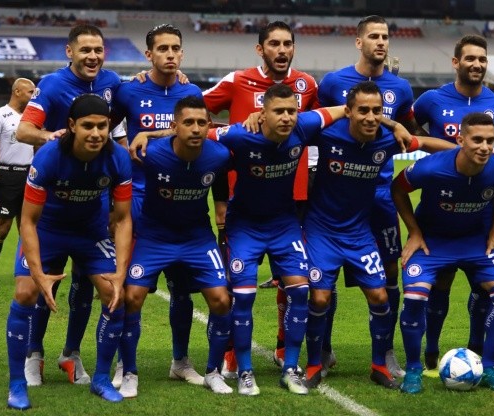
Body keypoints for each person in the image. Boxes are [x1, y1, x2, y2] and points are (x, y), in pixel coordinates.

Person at [132, 21, 319, 378]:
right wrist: (169, 79)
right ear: (260, 49)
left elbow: (321, 121)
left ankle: (284, 346)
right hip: (240, 196)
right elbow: (192, 113)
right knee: (237, 284)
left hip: (291, 196)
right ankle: (232, 352)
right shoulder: (237, 81)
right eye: (274, 44)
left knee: (292, 281)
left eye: (287, 44)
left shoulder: (307, 85)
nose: (281, 50)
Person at [302, 81, 450, 390]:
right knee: (319, 297)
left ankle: (379, 365)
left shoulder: (387, 140)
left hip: (359, 232)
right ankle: (315, 362)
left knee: (381, 296)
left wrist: (470, 152)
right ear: (349, 112)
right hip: (322, 230)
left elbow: (425, 142)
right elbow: (293, 127)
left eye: (377, 111)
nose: (370, 117)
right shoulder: (327, 134)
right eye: (364, 111)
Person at [209, 84, 345, 395]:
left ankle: (290, 368)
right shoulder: (241, 134)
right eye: (278, 111)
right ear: (263, 114)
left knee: (300, 292)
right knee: (242, 297)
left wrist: (390, 122)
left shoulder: (304, 125)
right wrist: (150, 136)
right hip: (244, 226)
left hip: (284, 226)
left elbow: (343, 110)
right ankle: (244, 370)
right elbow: (199, 134)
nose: (286, 117)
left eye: (291, 111)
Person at [5, 94, 133, 409]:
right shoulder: (49, 157)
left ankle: (102, 379)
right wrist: (37, 274)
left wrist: (120, 272)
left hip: (90, 233)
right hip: (48, 230)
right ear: (72, 126)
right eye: (88, 126)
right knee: (24, 293)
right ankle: (17, 384)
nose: (96, 133)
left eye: (102, 126)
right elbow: (28, 221)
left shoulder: (118, 157)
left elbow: (124, 218)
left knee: (116, 296)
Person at [15, 23, 124, 387]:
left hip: (93, 206)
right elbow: (23, 131)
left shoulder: (112, 83)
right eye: (85, 50)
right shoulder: (52, 85)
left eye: (98, 50)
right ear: (69, 52)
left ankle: (71, 354)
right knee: (45, 284)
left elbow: (136, 104)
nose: (92, 56)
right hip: (52, 203)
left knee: (88, 286)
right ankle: (34, 353)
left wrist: (165, 74)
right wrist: (51, 136)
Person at [316, 14, 420, 379]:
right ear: (358, 42)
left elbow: (407, 129)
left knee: (390, 269)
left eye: (386, 36)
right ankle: (323, 347)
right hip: (339, 190)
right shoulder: (333, 83)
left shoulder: (401, 88)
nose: (381, 42)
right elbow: (318, 122)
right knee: (326, 274)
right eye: (374, 36)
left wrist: (394, 124)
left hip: (379, 193)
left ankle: (386, 351)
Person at [391, 112, 494, 394]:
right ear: (460, 140)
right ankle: (413, 370)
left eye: (490, 140)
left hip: (477, 243)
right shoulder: (430, 168)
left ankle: (489, 366)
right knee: (414, 297)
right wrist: (414, 231)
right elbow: (397, 189)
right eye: (477, 140)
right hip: (432, 243)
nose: (485, 147)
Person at [412, 34, 494, 382]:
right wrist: (443, 155)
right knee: (441, 281)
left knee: (482, 285)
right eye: (470, 58)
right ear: (456, 62)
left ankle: (478, 349)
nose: (477, 64)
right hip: (439, 206)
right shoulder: (431, 99)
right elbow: (413, 131)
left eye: (482, 59)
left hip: (480, 210)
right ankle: (430, 349)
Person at [118, 96, 233, 397]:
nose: (195, 128)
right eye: (188, 122)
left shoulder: (219, 155)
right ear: (174, 127)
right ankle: (128, 371)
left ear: (209, 126)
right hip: (154, 236)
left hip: (197, 237)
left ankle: (212, 371)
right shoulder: (150, 153)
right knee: (132, 297)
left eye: (201, 122)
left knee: (221, 300)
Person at [112, 23, 205, 391]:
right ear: (148, 55)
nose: (170, 54)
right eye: (162, 48)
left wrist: (151, 134)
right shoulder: (129, 90)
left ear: (182, 54)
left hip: (182, 202)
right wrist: (123, 156)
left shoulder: (191, 91)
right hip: (137, 199)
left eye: (175, 48)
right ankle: (123, 363)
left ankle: (180, 361)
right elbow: (104, 127)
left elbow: (198, 133)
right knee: (131, 289)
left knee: (182, 290)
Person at [0, 78, 35, 292]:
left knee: (28, 228)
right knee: (2, 228)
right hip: (6, 177)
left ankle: (28, 274)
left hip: (31, 177)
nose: (33, 95)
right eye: (30, 92)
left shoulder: (35, 117)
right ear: (17, 91)